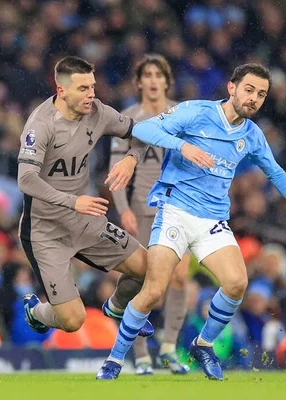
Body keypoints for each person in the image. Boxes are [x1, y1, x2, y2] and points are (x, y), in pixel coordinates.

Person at [98, 63, 286, 380]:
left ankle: (202, 344)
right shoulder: (196, 112)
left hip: (213, 219)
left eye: (261, 94)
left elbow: (276, 173)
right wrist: (183, 145)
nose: (254, 99)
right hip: (176, 208)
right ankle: (114, 360)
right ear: (232, 88)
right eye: (249, 90)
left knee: (237, 283)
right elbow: (142, 129)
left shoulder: (251, 135)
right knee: (154, 290)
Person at [16, 56, 153, 340]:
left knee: (149, 267)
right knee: (73, 321)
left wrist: (131, 157)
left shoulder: (98, 112)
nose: (91, 94)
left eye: (93, 86)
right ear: (61, 91)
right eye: (83, 89)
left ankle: (117, 308)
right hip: (46, 232)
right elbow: (26, 179)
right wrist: (72, 201)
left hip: (84, 220)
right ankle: (37, 312)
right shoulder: (40, 125)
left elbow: (141, 133)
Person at [109, 54, 190, 375]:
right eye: (148, 74)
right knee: (142, 281)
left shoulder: (182, 115)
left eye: (160, 74)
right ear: (139, 82)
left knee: (181, 277)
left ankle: (169, 348)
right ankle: (140, 356)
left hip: (176, 208)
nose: (154, 80)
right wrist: (124, 209)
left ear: (167, 81)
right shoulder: (128, 118)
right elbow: (116, 170)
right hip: (141, 210)